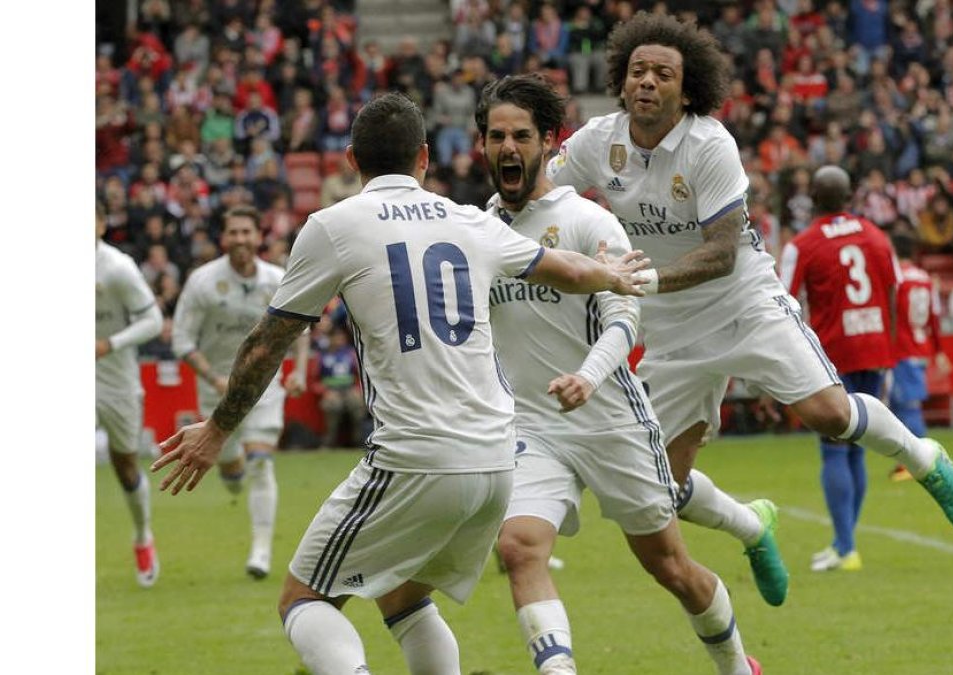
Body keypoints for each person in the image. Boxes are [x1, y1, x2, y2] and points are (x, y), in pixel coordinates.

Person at [152, 92, 650, 675]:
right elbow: (563, 267)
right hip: (496, 463)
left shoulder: (333, 226)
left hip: (417, 455)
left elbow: (269, 340)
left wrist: (217, 427)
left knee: (303, 600)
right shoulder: (469, 219)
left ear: (349, 160)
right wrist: (612, 274)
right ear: (423, 158)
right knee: (403, 595)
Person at [547, 12, 953, 579]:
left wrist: (638, 279)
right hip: (672, 327)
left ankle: (923, 458)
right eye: (637, 71)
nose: (647, 82)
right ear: (621, 81)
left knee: (829, 413)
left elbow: (722, 251)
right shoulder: (598, 141)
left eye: (663, 74)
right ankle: (752, 525)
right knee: (658, 490)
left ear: (687, 89)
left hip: (742, 301)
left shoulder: (709, 144)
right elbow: (541, 194)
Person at [478, 74, 765, 675]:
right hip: (533, 423)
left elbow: (624, 314)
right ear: (481, 144)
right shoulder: (480, 230)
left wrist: (588, 375)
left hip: (611, 420)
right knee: (519, 548)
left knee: (672, 569)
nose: (508, 147)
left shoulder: (588, 221)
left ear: (548, 142)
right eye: (496, 136)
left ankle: (739, 666)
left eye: (522, 136)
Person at [170, 205, 310, 580]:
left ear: (258, 236)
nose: (241, 239)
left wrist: (296, 371)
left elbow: (302, 330)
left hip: (265, 386)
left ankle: (261, 552)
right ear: (223, 238)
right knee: (231, 466)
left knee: (262, 462)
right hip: (215, 388)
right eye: (233, 232)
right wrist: (214, 378)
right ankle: (232, 475)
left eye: (247, 232)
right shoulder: (202, 282)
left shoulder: (278, 279)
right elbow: (182, 339)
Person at [778, 167, 897, 571]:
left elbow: (783, 303)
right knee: (858, 446)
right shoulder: (877, 236)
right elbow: (892, 290)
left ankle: (845, 546)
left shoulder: (803, 245)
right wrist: (889, 352)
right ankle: (844, 542)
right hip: (875, 348)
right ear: (851, 196)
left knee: (833, 448)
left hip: (832, 355)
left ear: (812, 196)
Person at [96, 202, 164, 587]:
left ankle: (143, 536)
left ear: (102, 224)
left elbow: (153, 320)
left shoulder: (118, 267)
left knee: (125, 465)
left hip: (117, 380)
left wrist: (110, 343)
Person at [886, 233, 952, 482]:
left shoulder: (898, 279)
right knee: (902, 406)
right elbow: (934, 317)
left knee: (907, 408)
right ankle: (911, 461)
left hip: (902, 349)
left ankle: (922, 464)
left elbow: (891, 315)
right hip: (921, 347)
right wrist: (939, 351)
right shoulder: (925, 279)